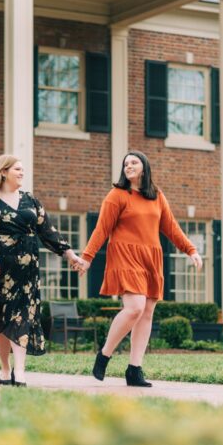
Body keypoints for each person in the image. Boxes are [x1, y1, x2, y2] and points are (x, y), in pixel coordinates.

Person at [79, 151, 202, 387]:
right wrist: (87, 257)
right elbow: (101, 229)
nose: (129, 166)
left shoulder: (157, 196)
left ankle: (134, 369)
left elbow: (171, 228)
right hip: (125, 255)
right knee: (134, 308)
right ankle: (104, 354)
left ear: (144, 168)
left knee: (147, 313)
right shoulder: (116, 196)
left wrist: (191, 250)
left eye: (134, 162)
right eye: (126, 163)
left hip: (151, 257)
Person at [0, 154, 84, 387]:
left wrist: (70, 254)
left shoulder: (30, 201)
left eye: (23, 169)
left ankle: (21, 372)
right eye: (17, 169)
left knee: (23, 317)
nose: (22, 172)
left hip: (26, 272)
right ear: (3, 172)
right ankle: (5, 369)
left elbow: (48, 232)